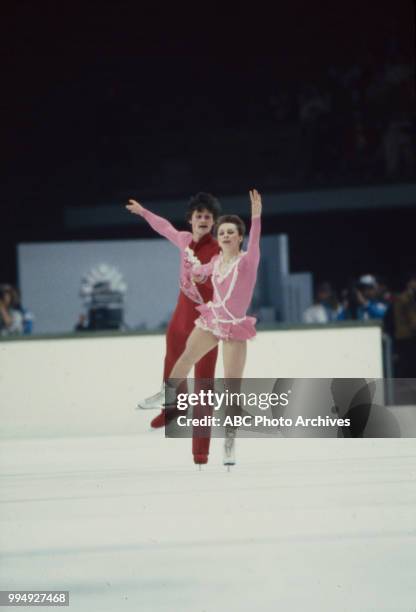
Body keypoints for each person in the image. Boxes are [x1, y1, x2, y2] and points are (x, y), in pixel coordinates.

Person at [164, 189, 262, 465]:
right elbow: (196, 272)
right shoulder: (216, 261)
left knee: (232, 389)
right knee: (185, 357)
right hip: (212, 321)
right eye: (222, 233)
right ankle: (166, 395)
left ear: (239, 237)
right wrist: (192, 270)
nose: (226, 236)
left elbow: (255, 242)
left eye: (231, 232)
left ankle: (229, 443)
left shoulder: (247, 261)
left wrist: (256, 216)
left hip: (234, 329)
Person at [126, 193, 221, 465]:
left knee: (204, 383)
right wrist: (144, 211)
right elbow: (163, 226)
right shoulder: (183, 239)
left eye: (207, 216)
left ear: (212, 222)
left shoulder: (217, 248)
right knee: (171, 364)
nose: (202, 220)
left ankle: (200, 449)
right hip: (183, 311)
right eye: (198, 215)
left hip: (208, 318)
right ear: (190, 220)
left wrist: (204, 270)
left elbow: (215, 266)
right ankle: (173, 410)